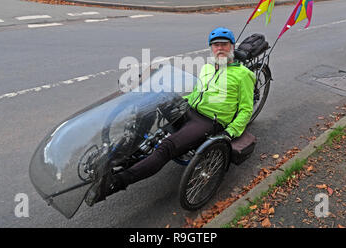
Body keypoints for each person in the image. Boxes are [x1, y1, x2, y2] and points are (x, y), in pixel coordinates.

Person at [85, 27, 256, 206]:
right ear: (211, 48)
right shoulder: (207, 68)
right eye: (215, 45)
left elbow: (245, 109)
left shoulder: (243, 75)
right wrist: (176, 100)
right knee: (152, 106)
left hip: (209, 121)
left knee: (166, 147)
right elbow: (198, 94)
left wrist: (230, 132)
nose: (220, 49)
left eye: (224, 45)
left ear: (232, 47)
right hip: (189, 109)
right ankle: (121, 154)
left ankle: (115, 183)